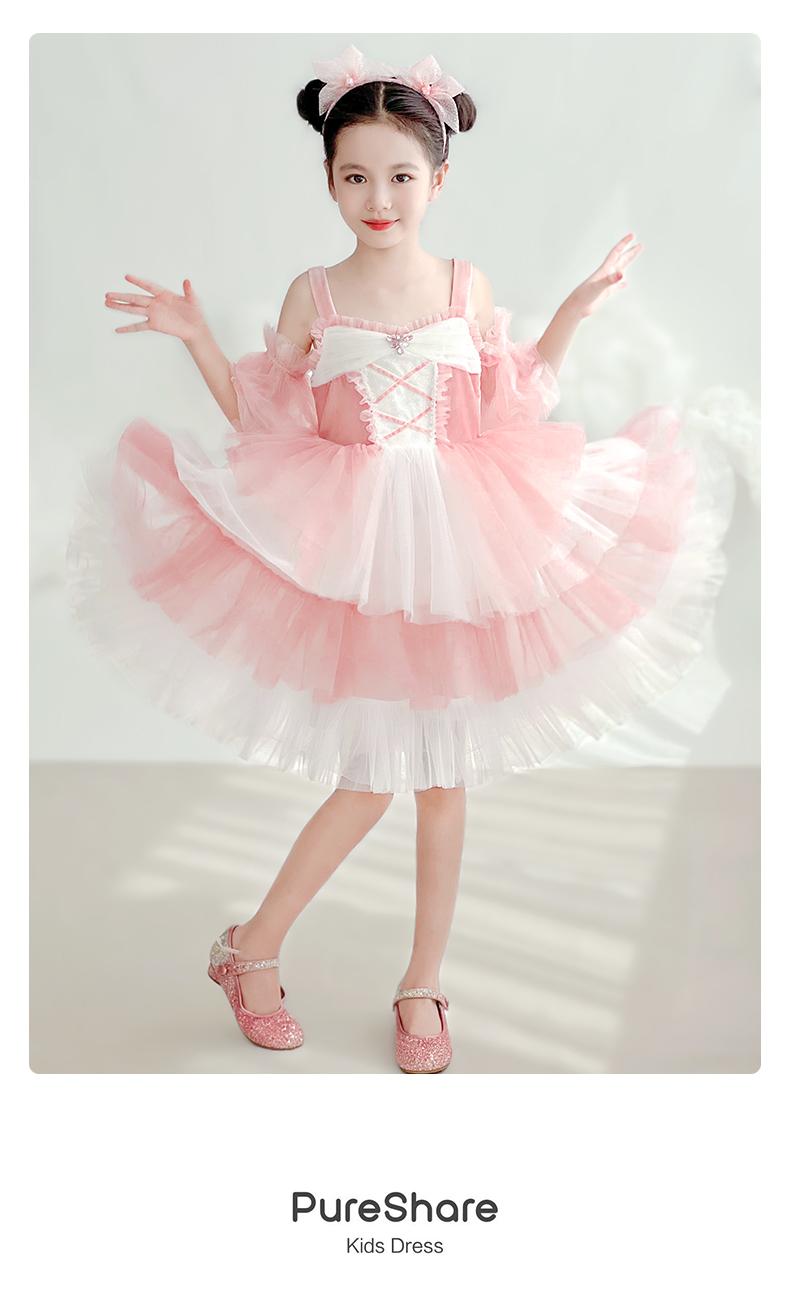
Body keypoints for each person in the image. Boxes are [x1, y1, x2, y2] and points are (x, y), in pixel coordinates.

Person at [67, 45, 738, 1074]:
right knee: (370, 777)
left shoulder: (466, 287)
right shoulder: (315, 295)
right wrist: (197, 338)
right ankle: (250, 949)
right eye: (354, 176)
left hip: (460, 541)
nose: (377, 199)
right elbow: (265, 419)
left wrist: (571, 311)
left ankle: (422, 985)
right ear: (328, 178)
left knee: (443, 780)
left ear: (438, 178)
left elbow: (507, 402)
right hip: (363, 549)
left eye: (399, 175)